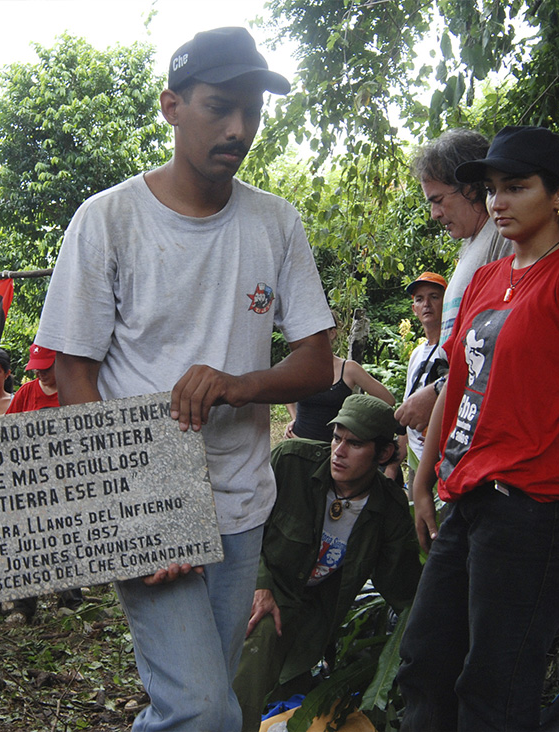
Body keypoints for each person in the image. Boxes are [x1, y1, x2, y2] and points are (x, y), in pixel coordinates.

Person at [35, 27, 335, 731]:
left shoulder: (275, 222)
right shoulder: (107, 220)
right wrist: (129, 512)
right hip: (147, 496)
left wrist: (236, 383)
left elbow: (317, 364)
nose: (238, 129)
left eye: (252, 113)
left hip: (241, 501)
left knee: (203, 705)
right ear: (172, 106)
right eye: (219, 107)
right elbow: (71, 369)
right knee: (203, 711)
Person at [397, 126, 559, 731]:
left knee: (496, 687)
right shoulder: (487, 278)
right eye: (492, 189)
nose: (499, 201)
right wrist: (425, 481)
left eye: (517, 187)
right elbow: (456, 383)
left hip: (537, 508)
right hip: (470, 497)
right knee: (424, 660)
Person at [233, 394, 421, 730]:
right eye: (337, 438)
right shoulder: (291, 462)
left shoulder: (389, 510)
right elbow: (243, 522)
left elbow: (401, 585)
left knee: (289, 706)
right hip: (265, 590)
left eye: (355, 443)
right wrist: (259, 583)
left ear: (384, 453)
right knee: (250, 671)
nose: (339, 451)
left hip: (316, 616)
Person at [395, 129, 512, 436]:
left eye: (438, 200)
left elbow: (500, 344)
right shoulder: (474, 242)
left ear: (471, 188)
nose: (434, 214)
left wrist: (438, 391)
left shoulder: (503, 238)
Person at [3, 342, 82, 621]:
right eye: (36, 369)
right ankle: (24, 607)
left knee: (64, 535)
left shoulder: (74, 392)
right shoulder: (26, 393)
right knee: (29, 538)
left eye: (46, 368)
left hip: (64, 480)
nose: (41, 374)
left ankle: (70, 602)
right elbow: (7, 431)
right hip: (30, 480)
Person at [284, 319, 397, 441]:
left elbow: (387, 400)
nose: (312, 337)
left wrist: (357, 423)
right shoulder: (298, 366)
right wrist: (294, 419)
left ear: (332, 333)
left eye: (318, 332)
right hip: (298, 445)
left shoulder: (349, 369)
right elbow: (284, 394)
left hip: (334, 449)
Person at [399, 272, 448, 479]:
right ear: (414, 310)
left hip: (443, 459)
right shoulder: (417, 353)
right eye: (420, 299)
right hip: (415, 458)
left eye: (434, 297)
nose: (426, 304)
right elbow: (408, 401)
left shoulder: (452, 348)